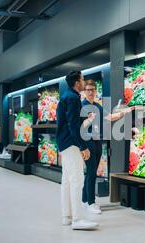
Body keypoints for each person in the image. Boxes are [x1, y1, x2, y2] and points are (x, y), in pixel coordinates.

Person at [81, 79, 132, 214]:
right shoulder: (82, 106)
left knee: (91, 172)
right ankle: (91, 203)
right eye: (88, 90)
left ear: (96, 91)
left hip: (98, 141)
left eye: (93, 90)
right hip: (87, 142)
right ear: (84, 91)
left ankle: (85, 200)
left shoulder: (97, 106)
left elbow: (110, 117)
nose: (91, 92)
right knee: (91, 172)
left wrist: (124, 113)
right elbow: (79, 127)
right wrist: (89, 120)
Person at [57, 71, 98, 230]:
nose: (84, 82)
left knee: (67, 180)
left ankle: (67, 216)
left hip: (64, 143)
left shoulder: (66, 96)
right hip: (71, 143)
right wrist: (83, 146)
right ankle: (77, 219)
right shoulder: (73, 98)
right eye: (82, 79)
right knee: (77, 180)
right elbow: (73, 127)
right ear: (76, 82)